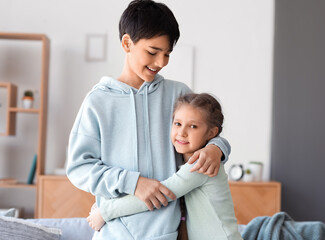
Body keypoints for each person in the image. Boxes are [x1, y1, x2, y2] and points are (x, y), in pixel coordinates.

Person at [66, 1, 231, 239]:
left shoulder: (178, 94)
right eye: (153, 52)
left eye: (167, 54)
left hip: (167, 233)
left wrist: (218, 148)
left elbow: (205, 132)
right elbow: (79, 168)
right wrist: (133, 182)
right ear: (127, 43)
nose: (161, 62)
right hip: (114, 232)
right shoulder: (98, 101)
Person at [87, 93, 243, 240]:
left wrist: (105, 211)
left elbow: (162, 193)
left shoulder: (200, 164)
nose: (182, 132)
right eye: (178, 124)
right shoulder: (184, 162)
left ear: (211, 133)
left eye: (193, 126)